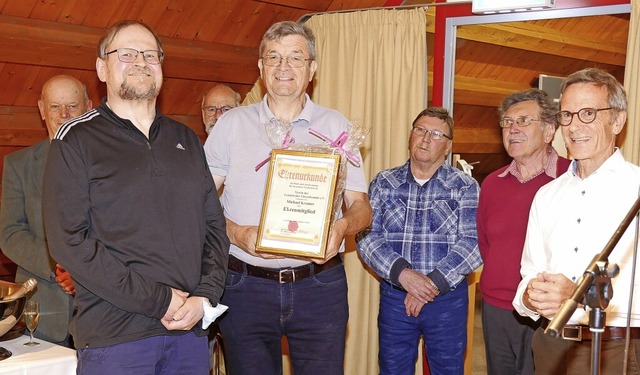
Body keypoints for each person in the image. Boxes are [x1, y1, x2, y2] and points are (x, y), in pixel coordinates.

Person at [42, 20, 229, 374]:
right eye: (126, 54)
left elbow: (214, 228)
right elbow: (69, 241)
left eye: (150, 54)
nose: (140, 61)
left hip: (188, 332)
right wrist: (158, 299)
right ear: (102, 68)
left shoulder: (186, 139)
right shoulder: (75, 139)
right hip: (115, 338)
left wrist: (205, 296)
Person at [204, 21, 372, 375]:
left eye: (296, 58)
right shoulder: (231, 124)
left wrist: (342, 228)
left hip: (319, 286)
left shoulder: (336, 126)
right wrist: (236, 233)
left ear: (312, 69)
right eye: (274, 57)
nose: (284, 67)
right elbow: (198, 201)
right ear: (261, 68)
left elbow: (361, 206)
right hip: (244, 285)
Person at [512, 67, 640, 374]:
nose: (573, 126)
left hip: (618, 350)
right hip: (551, 346)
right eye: (566, 115)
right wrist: (530, 297)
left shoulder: (637, 187)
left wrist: (579, 297)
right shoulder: (546, 195)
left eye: (588, 113)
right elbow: (529, 273)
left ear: (618, 120)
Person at [357, 107, 482, 375]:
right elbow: (366, 235)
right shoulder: (383, 182)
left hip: (447, 301)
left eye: (436, 134)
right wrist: (403, 275)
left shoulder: (465, 186)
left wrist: (430, 284)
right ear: (410, 136)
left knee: (448, 370)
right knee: (392, 370)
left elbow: (473, 242)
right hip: (395, 297)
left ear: (447, 146)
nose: (426, 138)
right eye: (420, 130)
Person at [477, 89, 571, 375]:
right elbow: (484, 243)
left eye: (523, 121)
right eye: (507, 123)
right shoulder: (492, 183)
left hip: (546, 310)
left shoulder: (571, 178)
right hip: (495, 308)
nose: (513, 129)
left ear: (549, 130)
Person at [0, 75, 92, 346]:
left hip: (103, 313)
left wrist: (85, 270)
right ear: (41, 109)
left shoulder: (112, 165)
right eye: (54, 106)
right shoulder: (19, 164)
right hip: (43, 316)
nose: (63, 114)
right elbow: (10, 233)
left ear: (88, 108)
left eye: (72, 106)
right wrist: (59, 267)